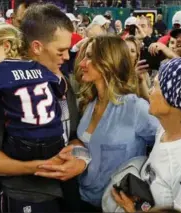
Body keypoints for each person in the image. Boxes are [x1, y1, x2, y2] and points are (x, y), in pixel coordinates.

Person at [0, 3, 84, 213]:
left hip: (66, 192)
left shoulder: (61, 81)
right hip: (21, 197)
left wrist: (81, 160)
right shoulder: (1, 87)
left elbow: (72, 136)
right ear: (38, 46)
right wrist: (39, 166)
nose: (67, 57)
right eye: (61, 50)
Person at [112, 57, 181, 212]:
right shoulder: (170, 126)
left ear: (174, 98)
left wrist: (132, 210)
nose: (149, 91)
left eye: (155, 85)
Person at [74, 35, 159, 211]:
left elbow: (166, 146)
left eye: (90, 56)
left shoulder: (135, 107)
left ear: (109, 61)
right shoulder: (89, 103)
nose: (82, 63)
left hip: (117, 205)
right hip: (82, 196)